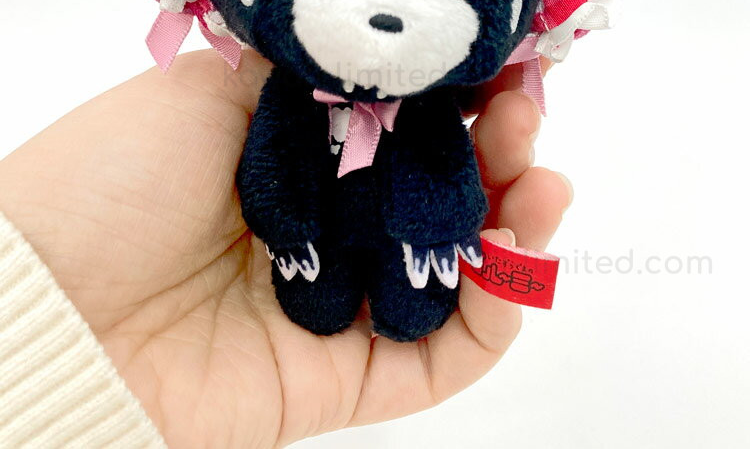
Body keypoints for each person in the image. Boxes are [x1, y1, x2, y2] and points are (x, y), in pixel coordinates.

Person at [0, 49, 571, 447]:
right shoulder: (291, 92)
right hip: (316, 242)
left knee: (415, 298)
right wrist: (285, 227)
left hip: (403, 243)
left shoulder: (429, 102)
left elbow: (444, 165)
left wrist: (436, 228)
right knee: (316, 297)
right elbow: (272, 161)